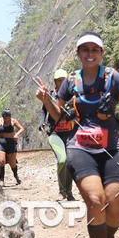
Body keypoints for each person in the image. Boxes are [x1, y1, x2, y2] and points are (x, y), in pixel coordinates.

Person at [35, 33, 119, 238]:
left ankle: (109, 237)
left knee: (115, 206)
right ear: (78, 54)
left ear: (101, 53)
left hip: (111, 148)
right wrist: (46, 99)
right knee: (95, 200)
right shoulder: (70, 81)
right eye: (85, 50)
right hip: (79, 148)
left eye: (95, 50)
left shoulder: (112, 77)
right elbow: (58, 115)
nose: (90, 54)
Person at [39, 69, 77, 201]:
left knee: (70, 162)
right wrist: (42, 123)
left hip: (70, 134)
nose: (62, 83)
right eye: (59, 80)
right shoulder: (50, 95)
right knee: (62, 160)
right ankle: (62, 191)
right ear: (55, 82)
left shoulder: (72, 95)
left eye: (64, 80)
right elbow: (44, 110)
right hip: (55, 133)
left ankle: (69, 192)